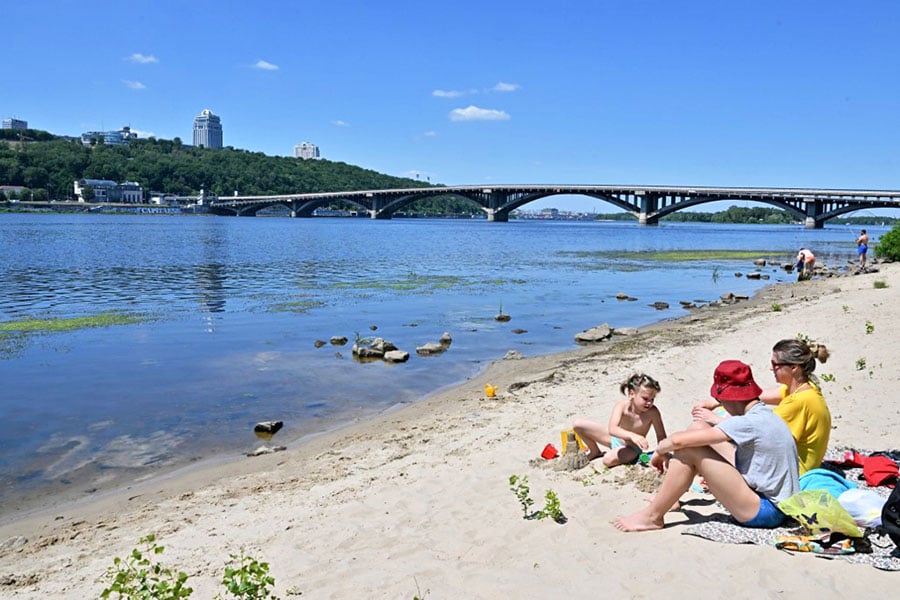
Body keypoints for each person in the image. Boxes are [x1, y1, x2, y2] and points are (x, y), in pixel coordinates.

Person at [613, 360, 799, 532]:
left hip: (767, 511)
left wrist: (659, 452)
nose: (722, 405)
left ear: (731, 397)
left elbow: (679, 441)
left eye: (722, 401)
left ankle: (652, 516)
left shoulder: (748, 423)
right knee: (698, 428)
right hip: (779, 502)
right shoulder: (764, 414)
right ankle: (672, 497)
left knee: (688, 448)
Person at [760, 338, 832, 474]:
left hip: (792, 476)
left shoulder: (796, 402)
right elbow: (763, 395)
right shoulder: (807, 388)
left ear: (794, 368)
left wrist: (716, 421)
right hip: (804, 468)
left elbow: (756, 435)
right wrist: (721, 400)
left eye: (775, 364)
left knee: (716, 443)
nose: (771, 368)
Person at [572, 373, 667, 468]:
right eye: (645, 399)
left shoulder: (653, 412)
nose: (649, 403)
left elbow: (661, 435)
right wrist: (632, 435)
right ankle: (594, 451)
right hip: (614, 439)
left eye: (652, 399)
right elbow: (612, 429)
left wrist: (662, 453)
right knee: (578, 424)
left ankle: (638, 457)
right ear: (632, 393)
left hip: (632, 448)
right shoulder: (622, 406)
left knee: (607, 460)